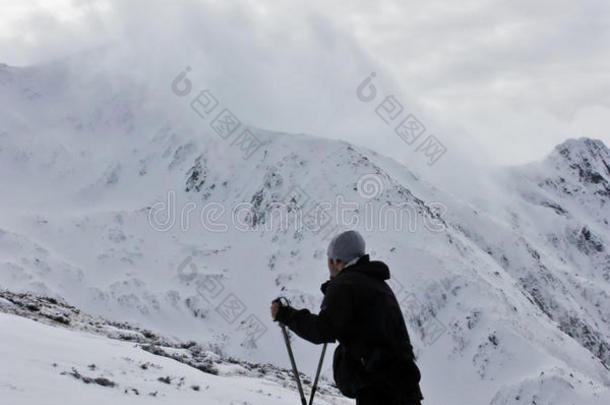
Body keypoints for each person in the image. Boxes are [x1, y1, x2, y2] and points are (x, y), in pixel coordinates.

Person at [270, 230, 424, 405]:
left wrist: (286, 315)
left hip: (378, 391)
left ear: (337, 261)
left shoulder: (345, 286)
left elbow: (322, 330)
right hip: (404, 387)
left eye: (329, 259)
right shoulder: (377, 283)